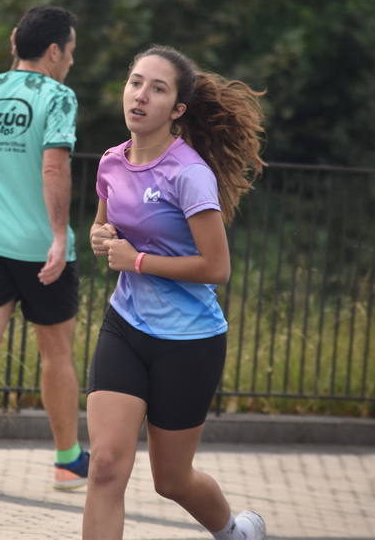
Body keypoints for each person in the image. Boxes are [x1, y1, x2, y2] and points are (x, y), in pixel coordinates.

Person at [84, 45, 267, 540]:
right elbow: (102, 227)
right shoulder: (111, 162)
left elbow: (217, 267)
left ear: (177, 109)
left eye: (157, 89)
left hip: (189, 341)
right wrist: (100, 238)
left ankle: (234, 532)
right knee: (105, 464)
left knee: (171, 480)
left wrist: (138, 261)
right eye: (135, 82)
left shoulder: (189, 174)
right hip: (125, 327)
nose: (140, 95)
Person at [0, 5, 90, 492]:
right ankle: (67, 462)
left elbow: (15, 73)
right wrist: (58, 236)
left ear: (15, 43)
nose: (71, 60)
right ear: (54, 51)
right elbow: (53, 167)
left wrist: (17, 46)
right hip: (40, 245)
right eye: (70, 51)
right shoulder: (60, 97)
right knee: (56, 353)